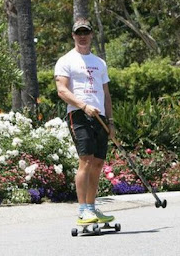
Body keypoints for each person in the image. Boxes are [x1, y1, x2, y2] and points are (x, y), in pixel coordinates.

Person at [54, 18, 115, 224]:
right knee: (86, 160)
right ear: (73, 35)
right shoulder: (66, 60)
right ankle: (82, 210)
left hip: (101, 117)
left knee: (98, 163)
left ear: (91, 35)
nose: (82, 36)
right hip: (79, 114)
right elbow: (62, 90)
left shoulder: (100, 63)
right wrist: (83, 106)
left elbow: (106, 94)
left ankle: (91, 207)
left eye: (85, 32)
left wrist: (111, 123)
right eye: (78, 32)